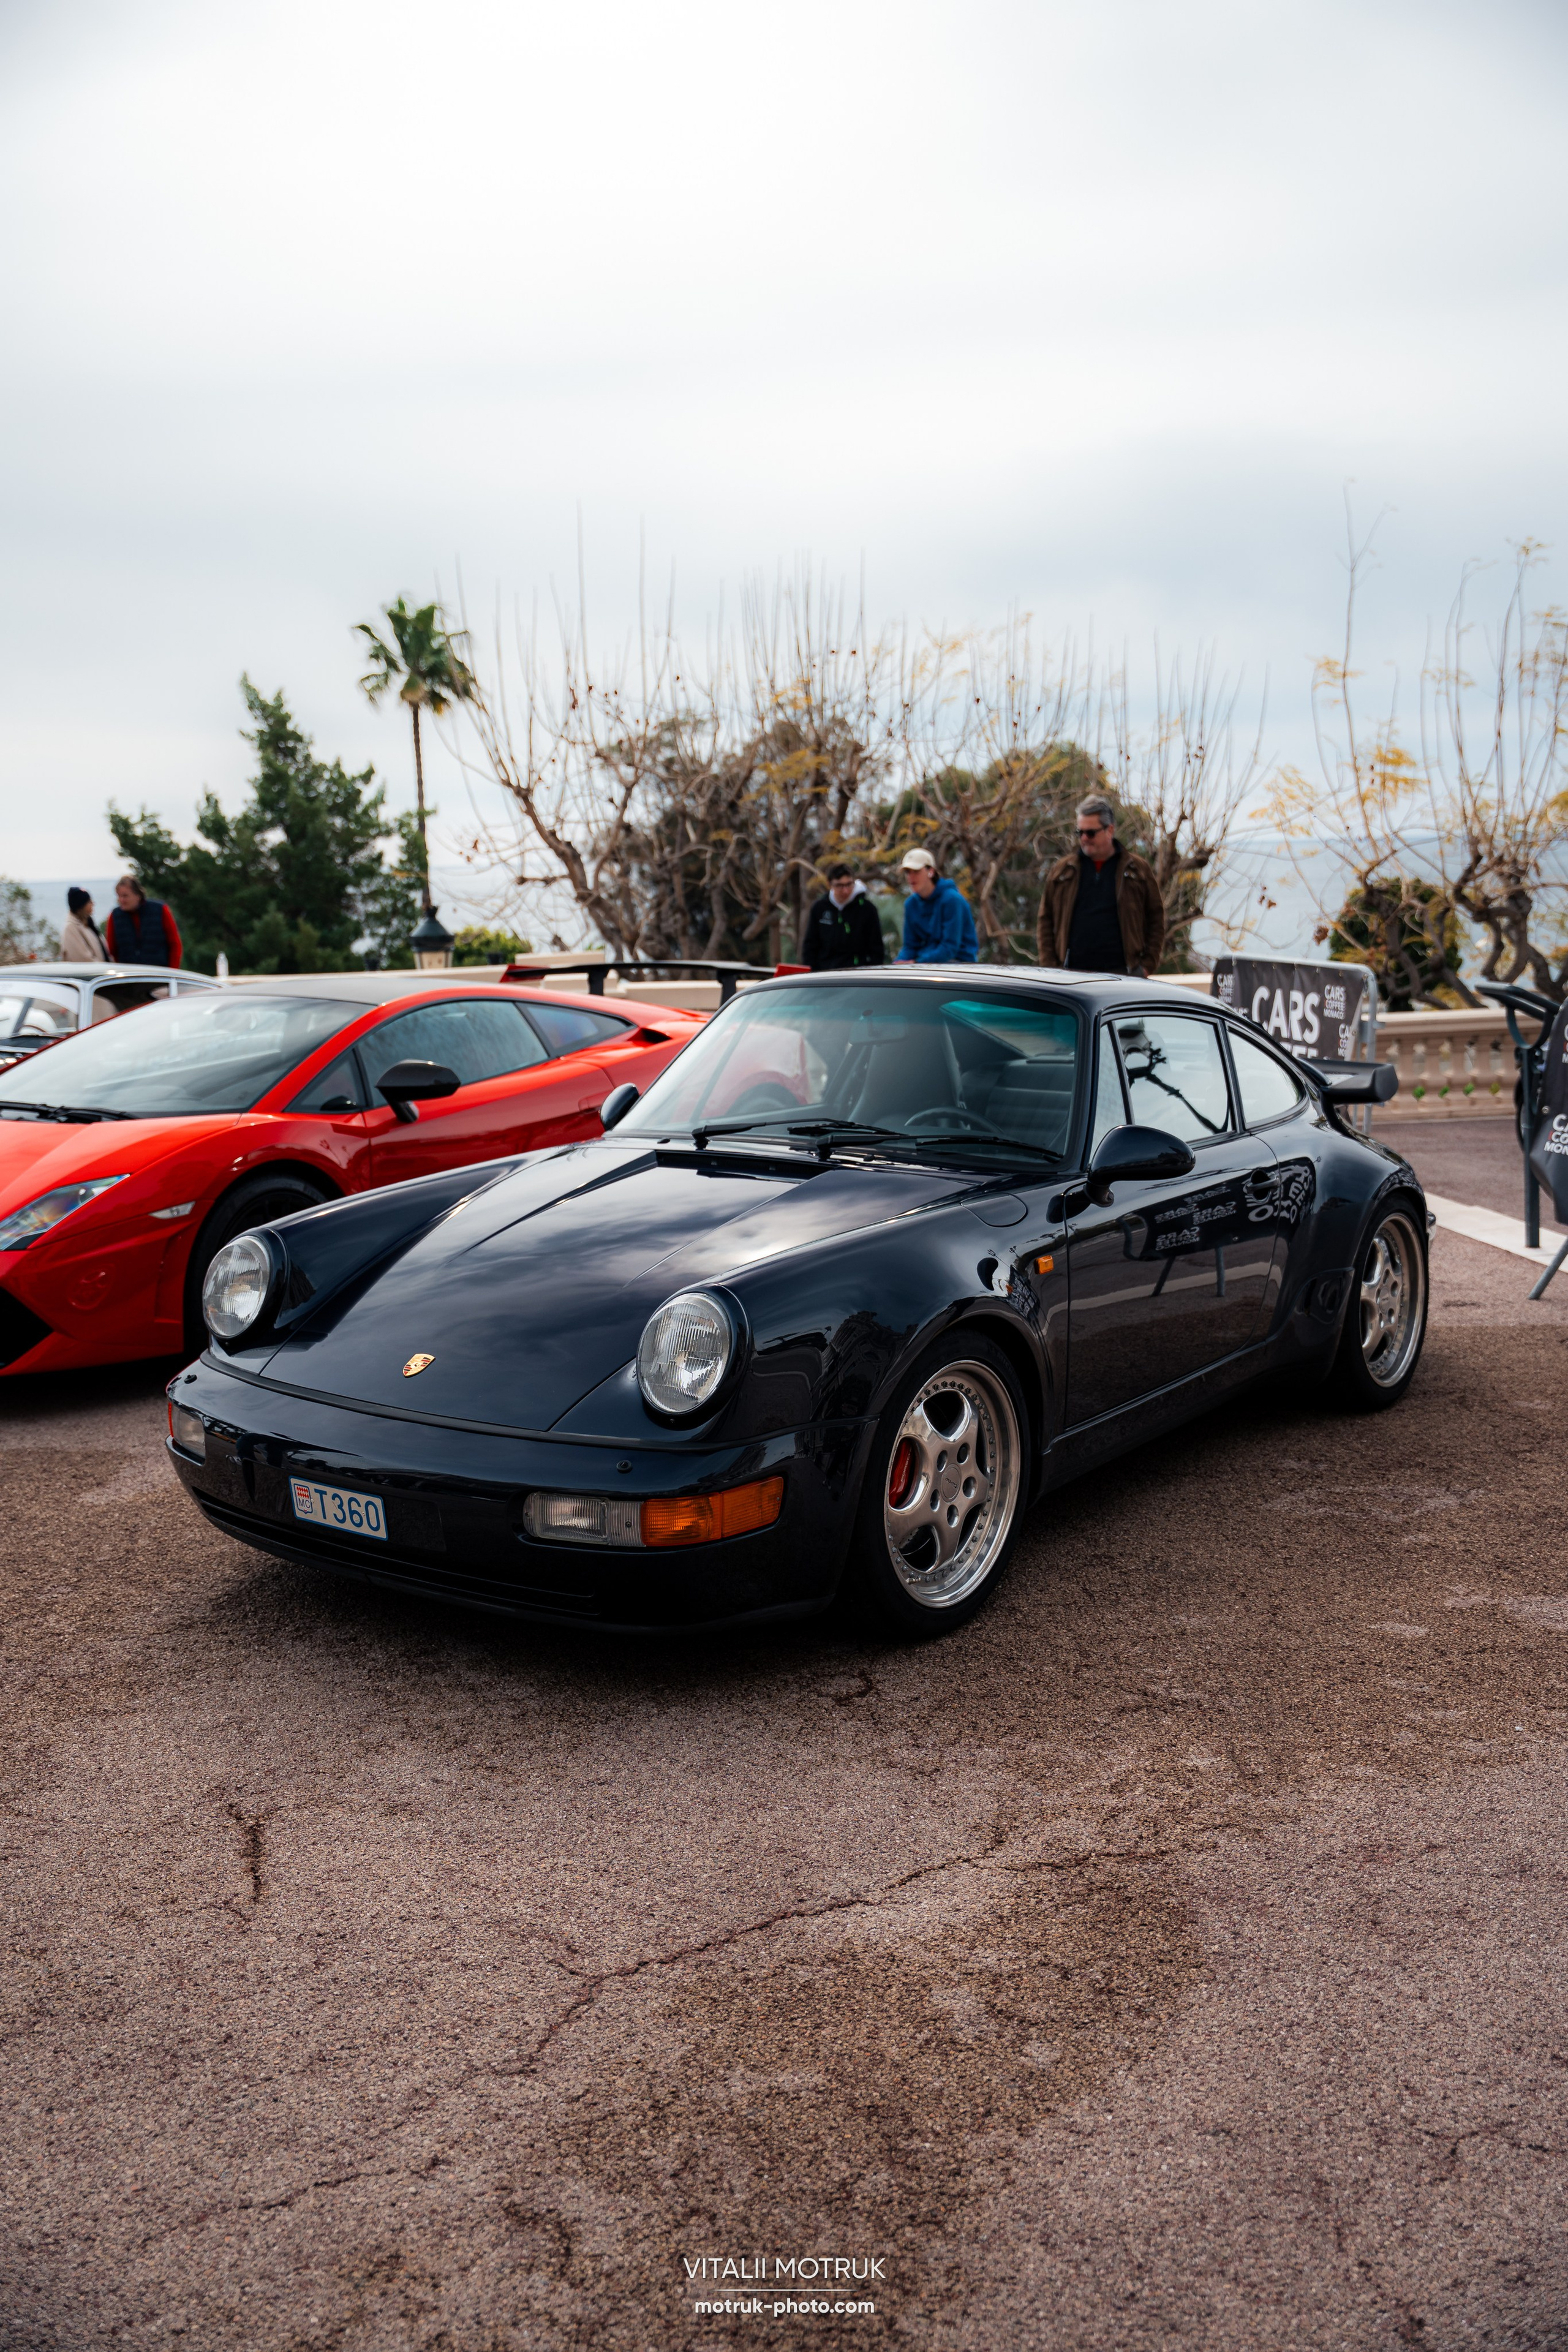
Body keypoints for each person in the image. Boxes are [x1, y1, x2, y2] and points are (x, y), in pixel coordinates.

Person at [1036, 794, 1164, 977]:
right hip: (1072, 976)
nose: (1084, 838)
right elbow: (1045, 919)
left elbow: (1156, 918)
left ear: (1109, 830)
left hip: (1123, 976)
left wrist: (1146, 966)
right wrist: (1051, 967)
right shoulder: (1062, 871)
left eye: (1091, 833)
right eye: (1080, 832)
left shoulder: (1138, 870)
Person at [894, 847, 979, 964]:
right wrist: (897, 965)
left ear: (931, 872)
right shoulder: (911, 904)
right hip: (925, 965)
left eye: (917, 871)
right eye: (908, 872)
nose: (911, 877)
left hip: (959, 966)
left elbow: (950, 948)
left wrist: (916, 964)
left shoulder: (952, 900)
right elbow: (910, 947)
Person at [800, 864, 885, 971]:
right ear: (829, 884)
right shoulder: (819, 908)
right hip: (826, 973)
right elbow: (810, 946)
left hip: (859, 973)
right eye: (840, 886)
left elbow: (877, 948)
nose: (846, 890)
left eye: (849, 884)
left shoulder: (867, 909)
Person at [104, 875, 183, 969]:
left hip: (160, 975)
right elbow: (112, 950)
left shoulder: (161, 910)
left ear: (138, 895)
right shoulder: (115, 916)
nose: (122, 900)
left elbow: (175, 944)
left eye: (125, 896)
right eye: (119, 896)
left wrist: (172, 973)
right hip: (129, 977)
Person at [60, 888, 108, 962]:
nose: (93, 903)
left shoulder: (88, 925)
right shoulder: (71, 928)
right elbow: (83, 959)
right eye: (89, 901)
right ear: (81, 906)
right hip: (96, 972)